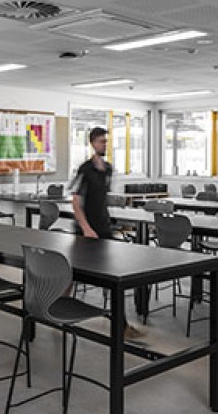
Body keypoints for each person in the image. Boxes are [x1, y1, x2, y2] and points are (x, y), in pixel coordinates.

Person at [70, 127, 145, 341]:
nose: (105, 145)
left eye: (106, 141)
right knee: (70, 275)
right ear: (93, 142)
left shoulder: (109, 169)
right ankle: (56, 311)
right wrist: (85, 228)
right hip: (86, 231)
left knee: (115, 277)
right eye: (102, 141)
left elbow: (101, 198)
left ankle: (121, 326)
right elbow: (76, 202)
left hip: (103, 228)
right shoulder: (84, 169)